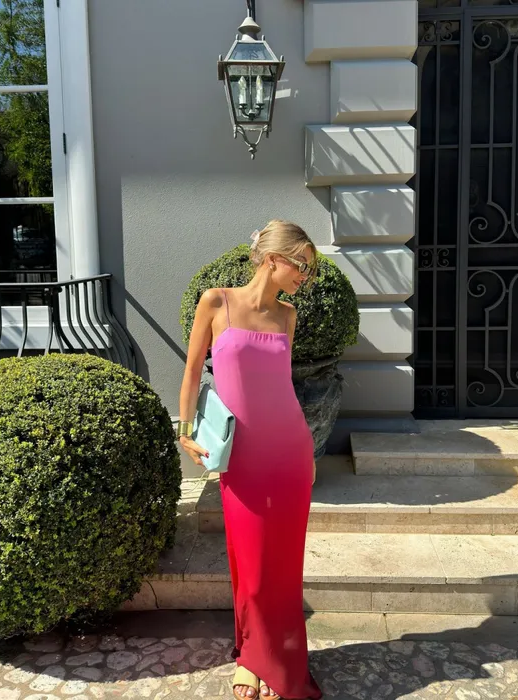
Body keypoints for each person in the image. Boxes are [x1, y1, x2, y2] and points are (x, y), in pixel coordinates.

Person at [177, 220, 322, 700]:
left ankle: (270, 658)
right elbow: (193, 370)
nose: (305, 276)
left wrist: (308, 448)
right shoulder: (216, 302)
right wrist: (184, 431)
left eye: (310, 269)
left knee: (283, 564)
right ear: (273, 258)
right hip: (243, 454)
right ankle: (251, 654)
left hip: (290, 448)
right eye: (301, 265)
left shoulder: (288, 315)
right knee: (252, 561)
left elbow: (282, 386)